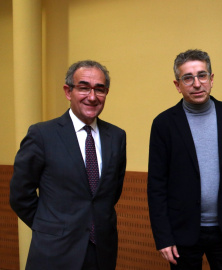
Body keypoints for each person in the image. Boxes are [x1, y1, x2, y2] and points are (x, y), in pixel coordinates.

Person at [10, 60, 127, 270]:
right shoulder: (42, 134)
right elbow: (20, 194)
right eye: (83, 88)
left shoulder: (117, 136)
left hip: (101, 251)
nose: (92, 97)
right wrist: (49, 227)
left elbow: (111, 193)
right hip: (53, 251)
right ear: (68, 91)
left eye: (99, 89)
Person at [147, 49, 222, 270]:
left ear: (211, 79)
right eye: (188, 78)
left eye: (202, 75)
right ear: (178, 85)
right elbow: (156, 186)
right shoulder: (164, 124)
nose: (197, 84)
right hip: (183, 231)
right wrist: (163, 237)